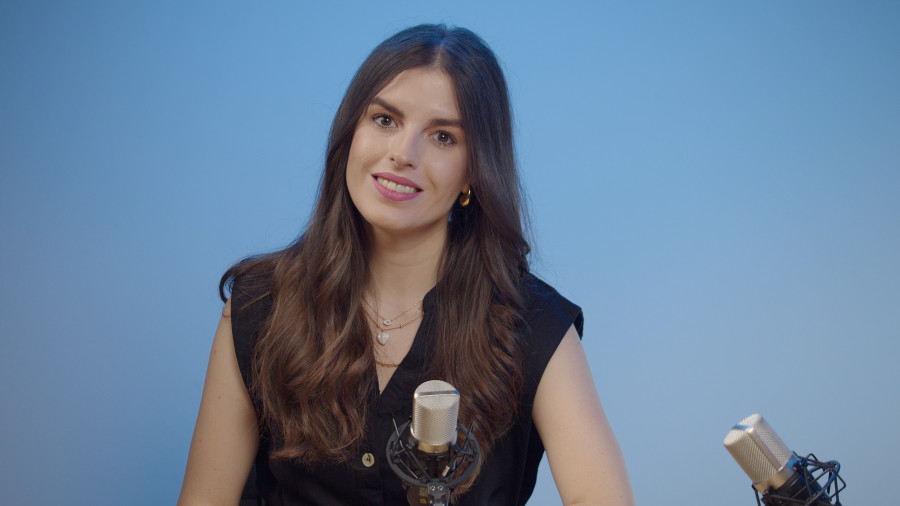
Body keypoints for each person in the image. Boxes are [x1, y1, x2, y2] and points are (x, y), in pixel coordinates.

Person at [178, 24, 635, 506]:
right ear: (350, 133)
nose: (402, 154)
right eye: (384, 120)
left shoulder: (535, 325)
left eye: (442, 137)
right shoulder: (260, 305)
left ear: (474, 173)